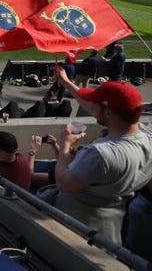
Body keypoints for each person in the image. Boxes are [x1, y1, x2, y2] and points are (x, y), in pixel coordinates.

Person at [50, 66, 152, 244]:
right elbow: (91, 104)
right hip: (111, 225)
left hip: (81, 227)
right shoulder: (146, 136)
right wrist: (66, 82)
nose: (91, 106)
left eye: (96, 104)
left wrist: (65, 144)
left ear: (109, 112)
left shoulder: (100, 154)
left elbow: (64, 183)